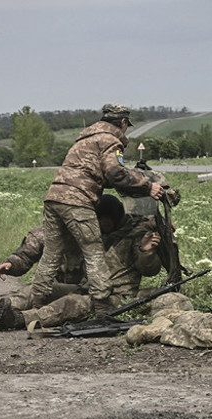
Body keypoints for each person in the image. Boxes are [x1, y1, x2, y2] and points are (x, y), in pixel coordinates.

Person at [0, 195, 164, 331]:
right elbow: (40, 240)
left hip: (110, 296)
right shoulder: (83, 229)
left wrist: (146, 251)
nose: (100, 227)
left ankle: (18, 319)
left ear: (116, 219)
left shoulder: (135, 235)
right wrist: (13, 263)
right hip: (82, 286)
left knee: (71, 304)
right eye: (97, 222)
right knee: (39, 290)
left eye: (105, 223)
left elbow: (150, 268)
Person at [30, 104, 164, 315]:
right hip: (77, 201)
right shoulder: (111, 141)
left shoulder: (85, 139)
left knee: (51, 253)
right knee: (94, 252)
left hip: (54, 197)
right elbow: (115, 174)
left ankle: (36, 302)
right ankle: (102, 308)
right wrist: (148, 186)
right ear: (122, 123)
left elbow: (99, 175)